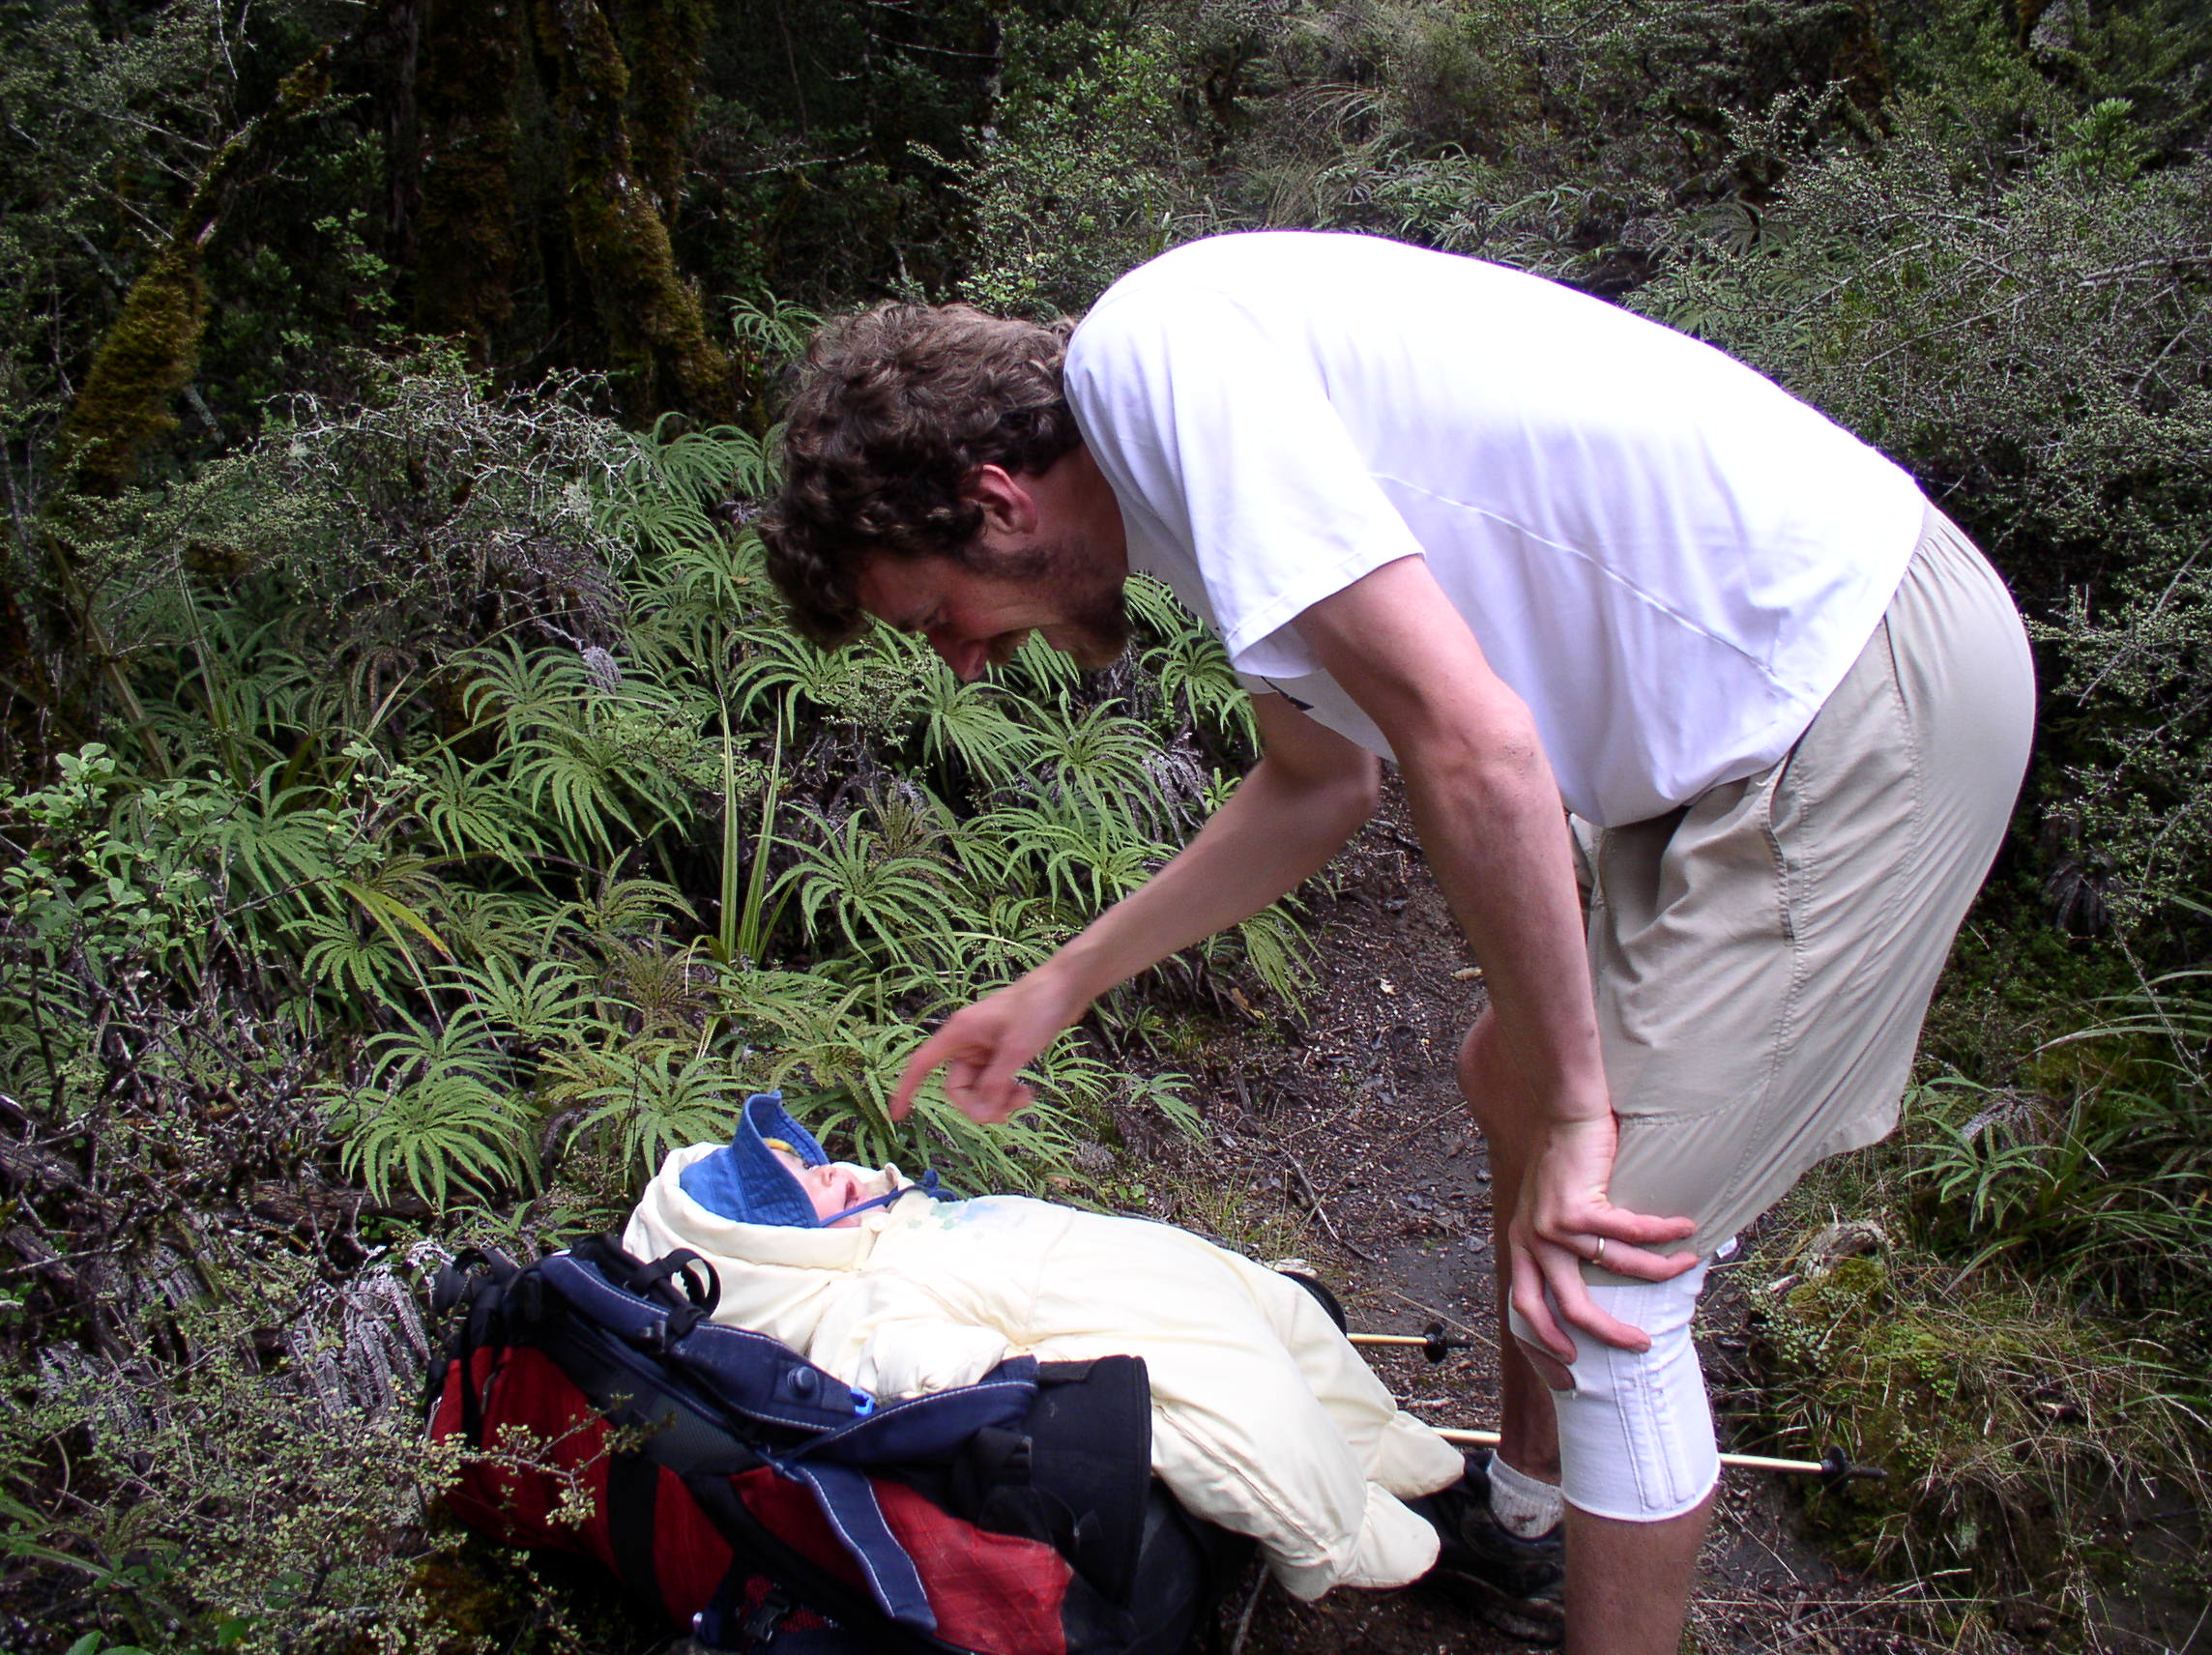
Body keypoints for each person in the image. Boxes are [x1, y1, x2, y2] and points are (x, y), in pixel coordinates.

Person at [759, 230, 2036, 1654]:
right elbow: (1321, 782)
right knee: (1508, 1073)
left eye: (938, 615)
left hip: (1853, 689)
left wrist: (1580, 1111)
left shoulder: (1157, 358)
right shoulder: (1183, 455)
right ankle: (1530, 1518)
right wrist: (1061, 984)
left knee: (1605, 1268)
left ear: (995, 502)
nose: (964, 658)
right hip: (1731, 729)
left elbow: (1476, 745)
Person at [625, 1090, 1470, 1600]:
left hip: (1151, 1268)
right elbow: (911, 1370)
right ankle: (1347, 1531)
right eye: (800, 1192)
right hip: (1134, 1326)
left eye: (806, 1160)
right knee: (1238, 1399)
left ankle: (1381, 1440)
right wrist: (997, 1377)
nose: (831, 1170)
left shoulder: (896, 1222)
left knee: (1278, 1309)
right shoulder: (853, 1310)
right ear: (769, 1254)